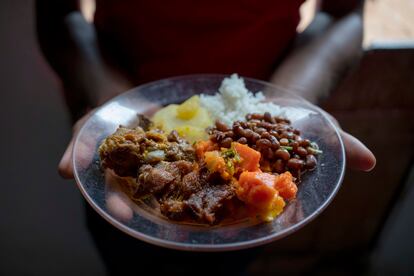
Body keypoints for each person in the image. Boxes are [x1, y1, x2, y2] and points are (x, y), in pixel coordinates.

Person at [36, 0, 376, 274]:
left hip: (252, 121)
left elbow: (342, 12)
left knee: (229, 262)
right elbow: (57, 12)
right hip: (116, 127)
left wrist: (292, 98)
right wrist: (110, 101)